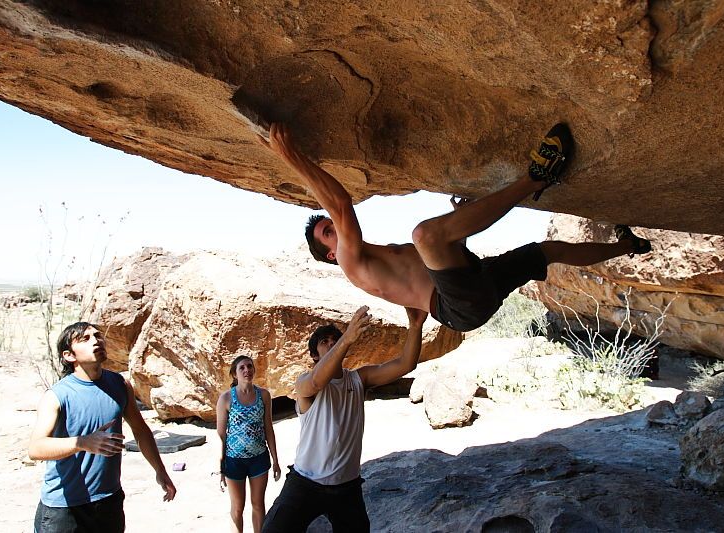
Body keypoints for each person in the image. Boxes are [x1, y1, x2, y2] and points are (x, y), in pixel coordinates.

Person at [259, 123, 652, 332]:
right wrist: (291, 155)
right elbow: (341, 203)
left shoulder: (384, 256)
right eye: (329, 233)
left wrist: (459, 229)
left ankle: (627, 246)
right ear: (330, 253)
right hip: (457, 306)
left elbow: (431, 276)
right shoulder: (350, 263)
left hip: (473, 285)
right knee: (426, 235)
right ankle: (536, 179)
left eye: (329, 226)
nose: (335, 227)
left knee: (548, 251)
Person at [262, 305, 427, 532]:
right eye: (324, 342)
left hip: (346, 487)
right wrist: (346, 338)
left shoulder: (359, 379)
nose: (331, 344)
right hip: (305, 482)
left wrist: (416, 326)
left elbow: (405, 364)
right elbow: (316, 383)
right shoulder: (304, 382)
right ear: (314, 354)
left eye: (334, 340)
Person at [29, 322, 176, 533]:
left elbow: (140, 430)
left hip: (109, 501)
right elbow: (35, 448)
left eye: (97, 336)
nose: (96, 340)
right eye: (85, 339)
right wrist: (83, 443)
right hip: (64, 508)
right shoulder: (57, 396)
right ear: (69, 356)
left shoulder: (119, 385)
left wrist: (160, 470)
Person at [216, 354, 282, 533]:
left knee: (258, 505)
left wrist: (275, 460)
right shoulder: (226, 399)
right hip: (234, 460)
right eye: (242, 368)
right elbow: (221, 435)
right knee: (237, 507)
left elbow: (268, 427)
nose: (247, 370)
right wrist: (221, 467)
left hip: (259, 459)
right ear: (235, 374)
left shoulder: (264, 395)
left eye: (250, 366)